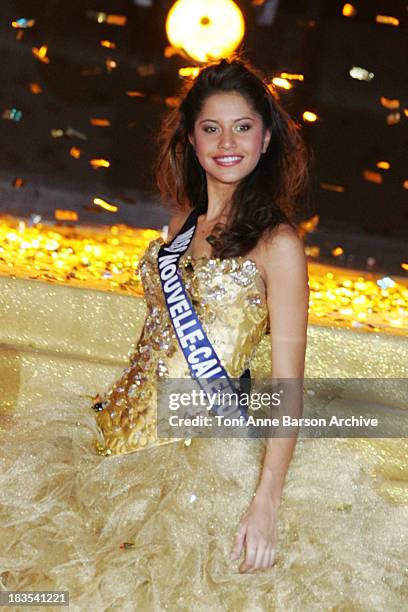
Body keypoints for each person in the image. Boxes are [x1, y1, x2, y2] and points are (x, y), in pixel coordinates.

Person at [92, 55, 311, 580]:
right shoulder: (178, 229)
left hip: (201, 463)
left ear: (265, 140)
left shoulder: (278, 245)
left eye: (243, 128)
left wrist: (266, 502)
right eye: (211, 129)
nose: (227, 143)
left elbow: (288, 384)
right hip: (120, 446)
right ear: (191, 139)